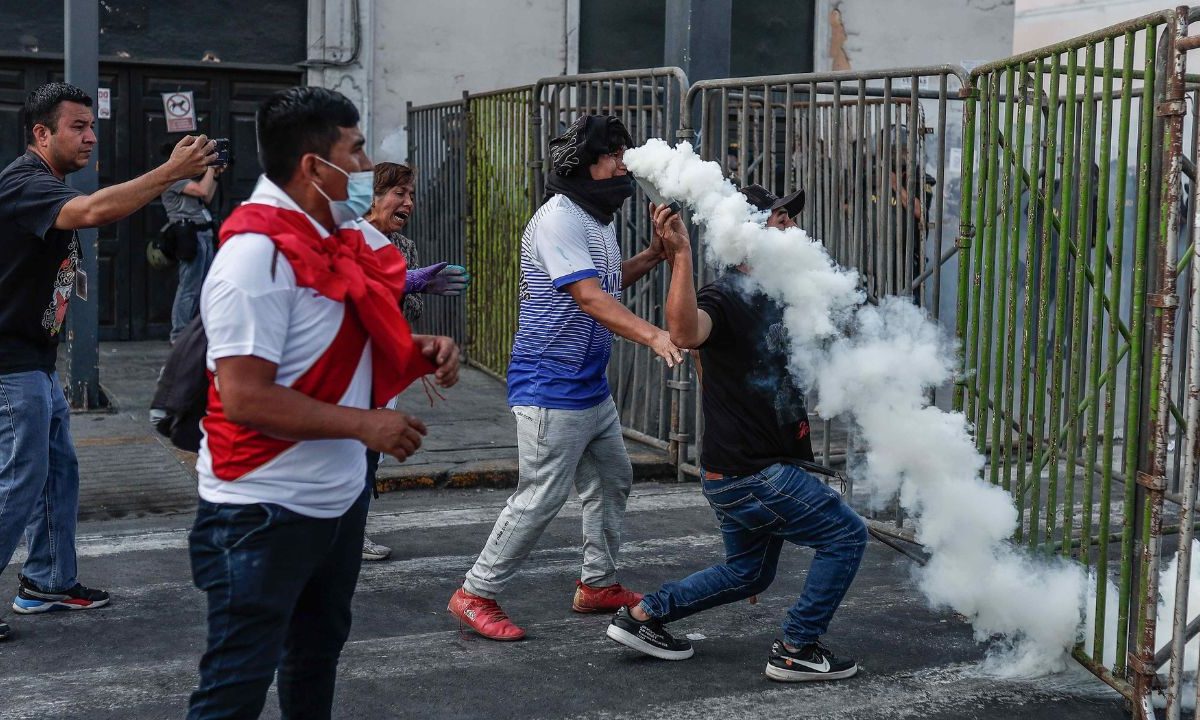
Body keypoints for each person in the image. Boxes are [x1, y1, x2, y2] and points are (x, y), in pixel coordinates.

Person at [187, 86, 459, 717]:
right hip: (261, 512)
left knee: (315, 658)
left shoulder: (330, 239)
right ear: (315, 166)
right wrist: (367, 424)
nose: (367, 168)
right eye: (357, 150)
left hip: (335, 503)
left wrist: (417, 348)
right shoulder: (255, 257)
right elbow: (245, 397)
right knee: (235, 689)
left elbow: (325, 346)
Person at [605, 193, 868, 682]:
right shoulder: (723, 297)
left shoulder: (778, 295)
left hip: (745, 468)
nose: (793, 227)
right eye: (781, 218)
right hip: (753, 474)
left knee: (750, 572)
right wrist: (680, 255)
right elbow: (685, 332)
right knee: (847, 535)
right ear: (746, 233)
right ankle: (796, 648)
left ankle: (644, 616)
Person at [447, 114, 683, 641]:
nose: (624, 165)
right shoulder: (559, 220)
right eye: (613, 156)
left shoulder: (597, 221)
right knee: (540, 496)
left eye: (625, 154)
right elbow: (587, 296)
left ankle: (597, 584)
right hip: (550, 388)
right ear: (584, 164)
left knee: (612, 480)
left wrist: (653, 255)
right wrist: (654, 335)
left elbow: (606, 280)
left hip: (589, 388)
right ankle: (475, 592)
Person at [0, 81, 215, 642]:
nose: (91, 136)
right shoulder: (24, 183)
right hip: (9, 365)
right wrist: (170, 172)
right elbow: (95, 210)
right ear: (41, 134)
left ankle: (46, 581)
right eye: (78, 126)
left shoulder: (43, 183)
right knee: (18, 482)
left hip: (37, 361)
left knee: (57, 476)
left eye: (92, 125)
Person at [358, 160, 470, 561]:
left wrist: (412, 284)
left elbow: (412, 313)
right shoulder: (349, 238)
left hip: (385, 365)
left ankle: (354, 531)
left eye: (411, 194)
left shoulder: (404, 248)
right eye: (399, 193)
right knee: (346, 449)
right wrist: (401, 280)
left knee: (370, 453)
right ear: (373, 198)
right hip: (347, 367)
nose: (408, 202)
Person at [160, 151, 223, 343]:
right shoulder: (173, 177)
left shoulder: (190, 180)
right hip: (189, 235)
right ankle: (179, 335)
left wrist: (215, 174)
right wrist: (212, 168)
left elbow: (207, 197)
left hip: (204, 233)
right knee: (189, 287)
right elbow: (202, 190)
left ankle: (198, 332)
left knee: (204, 286)